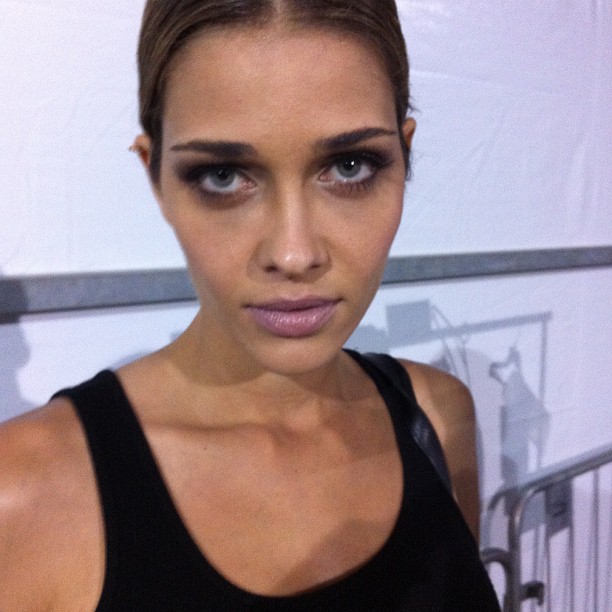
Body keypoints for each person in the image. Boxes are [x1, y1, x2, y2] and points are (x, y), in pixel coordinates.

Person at [0, 1, 501, 609]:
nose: (294, 254)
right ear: (156, 177)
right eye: (222, 176)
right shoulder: (23, 493)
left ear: (404, 156)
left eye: (350, 166)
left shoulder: (438, 418)